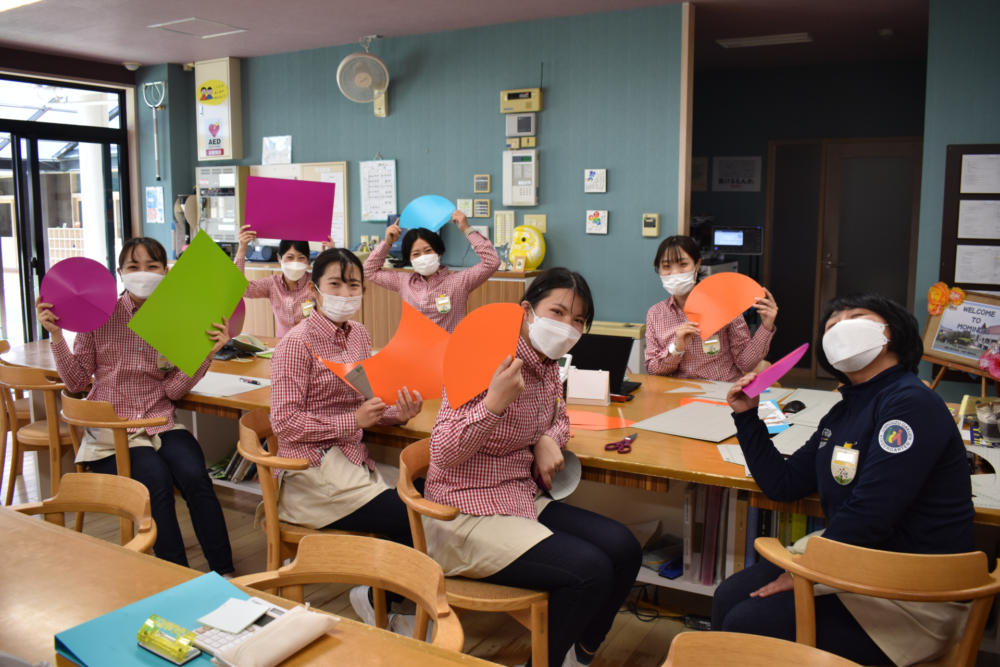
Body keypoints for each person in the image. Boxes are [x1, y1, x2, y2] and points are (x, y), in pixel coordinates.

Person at [712, 292, 976, 666]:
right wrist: (746, 416)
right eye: (831, 325)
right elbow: (784, 485)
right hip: (856, 563)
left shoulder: (910, 402)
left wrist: (808, 573)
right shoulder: (842, 411)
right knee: (726, 596)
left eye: (856, 317)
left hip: (912, 590)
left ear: (894, 332)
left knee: (748, 621)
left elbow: (872, 512)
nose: (840, 328)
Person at [423, 267, 642, 667]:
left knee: (624, 548)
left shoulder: (547, 365)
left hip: (519, 497)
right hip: (463, 513)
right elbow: (442, 452)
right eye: (557, 312)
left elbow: (562, 420)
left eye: (578, 320)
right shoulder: (485, 357)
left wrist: (545, 439)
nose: (567, 326)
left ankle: (580, 654)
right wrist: (493, 405)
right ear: (526, 311)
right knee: (590, 571)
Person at [36, 238, 235, 574]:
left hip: (160, 420)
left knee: (196, 477)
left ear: (166, 272)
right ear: (120, 272)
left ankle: (225, 572)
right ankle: (176, 576)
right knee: (155, 481)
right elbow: (76, 381)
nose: (143, 273)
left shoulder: (180, 318)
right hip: (113, 430)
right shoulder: (99, 314)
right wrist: (56, 335)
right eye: (133, 266)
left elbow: (172, 390)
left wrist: (206, 353)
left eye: (152, 266)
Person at [268, 248, 424, 625]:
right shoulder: (296, 343)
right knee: (411, 515)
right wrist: (352, 421)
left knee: (429, 494)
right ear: (314, 289)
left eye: (353, 285)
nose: (345, 293)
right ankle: (377, 597)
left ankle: (386, 595)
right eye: (335, 284)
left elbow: (364, 403)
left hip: (352, 462)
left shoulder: (359, 335)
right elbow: (285, 423)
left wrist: (397, 415)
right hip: (310, 473)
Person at [645, 235, 778, 381]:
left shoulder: (724, 304)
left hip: (724, 389)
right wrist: (676, 349)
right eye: (666, 266)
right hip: (680, 391)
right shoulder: (655, 313)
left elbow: (746, 364)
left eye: (683, 264)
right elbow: (653, 371)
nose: (675, 272)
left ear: (697, 265)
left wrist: (766, 326)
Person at [363, 211, 500, 333]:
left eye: (428, 251)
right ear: (409, 259)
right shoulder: (404, 281)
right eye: (416, 254)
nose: (423, 257)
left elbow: (492, 262)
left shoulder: (460, 281)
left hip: (448, 349)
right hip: (415, 348)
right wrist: (387, 243)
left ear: (439, 252)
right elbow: (368, 271)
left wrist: (467, 229)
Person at [233, 226, 333, 337]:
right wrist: (242, 249)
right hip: (283, 344)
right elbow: (240, 289)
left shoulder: (315, 282)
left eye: (301, 258)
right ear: (279, 258)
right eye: (290, 257)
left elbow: (333, 293)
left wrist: (329, 259)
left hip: (311, 343)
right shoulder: (272, 284)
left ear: (308, 259)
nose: (295, 263)